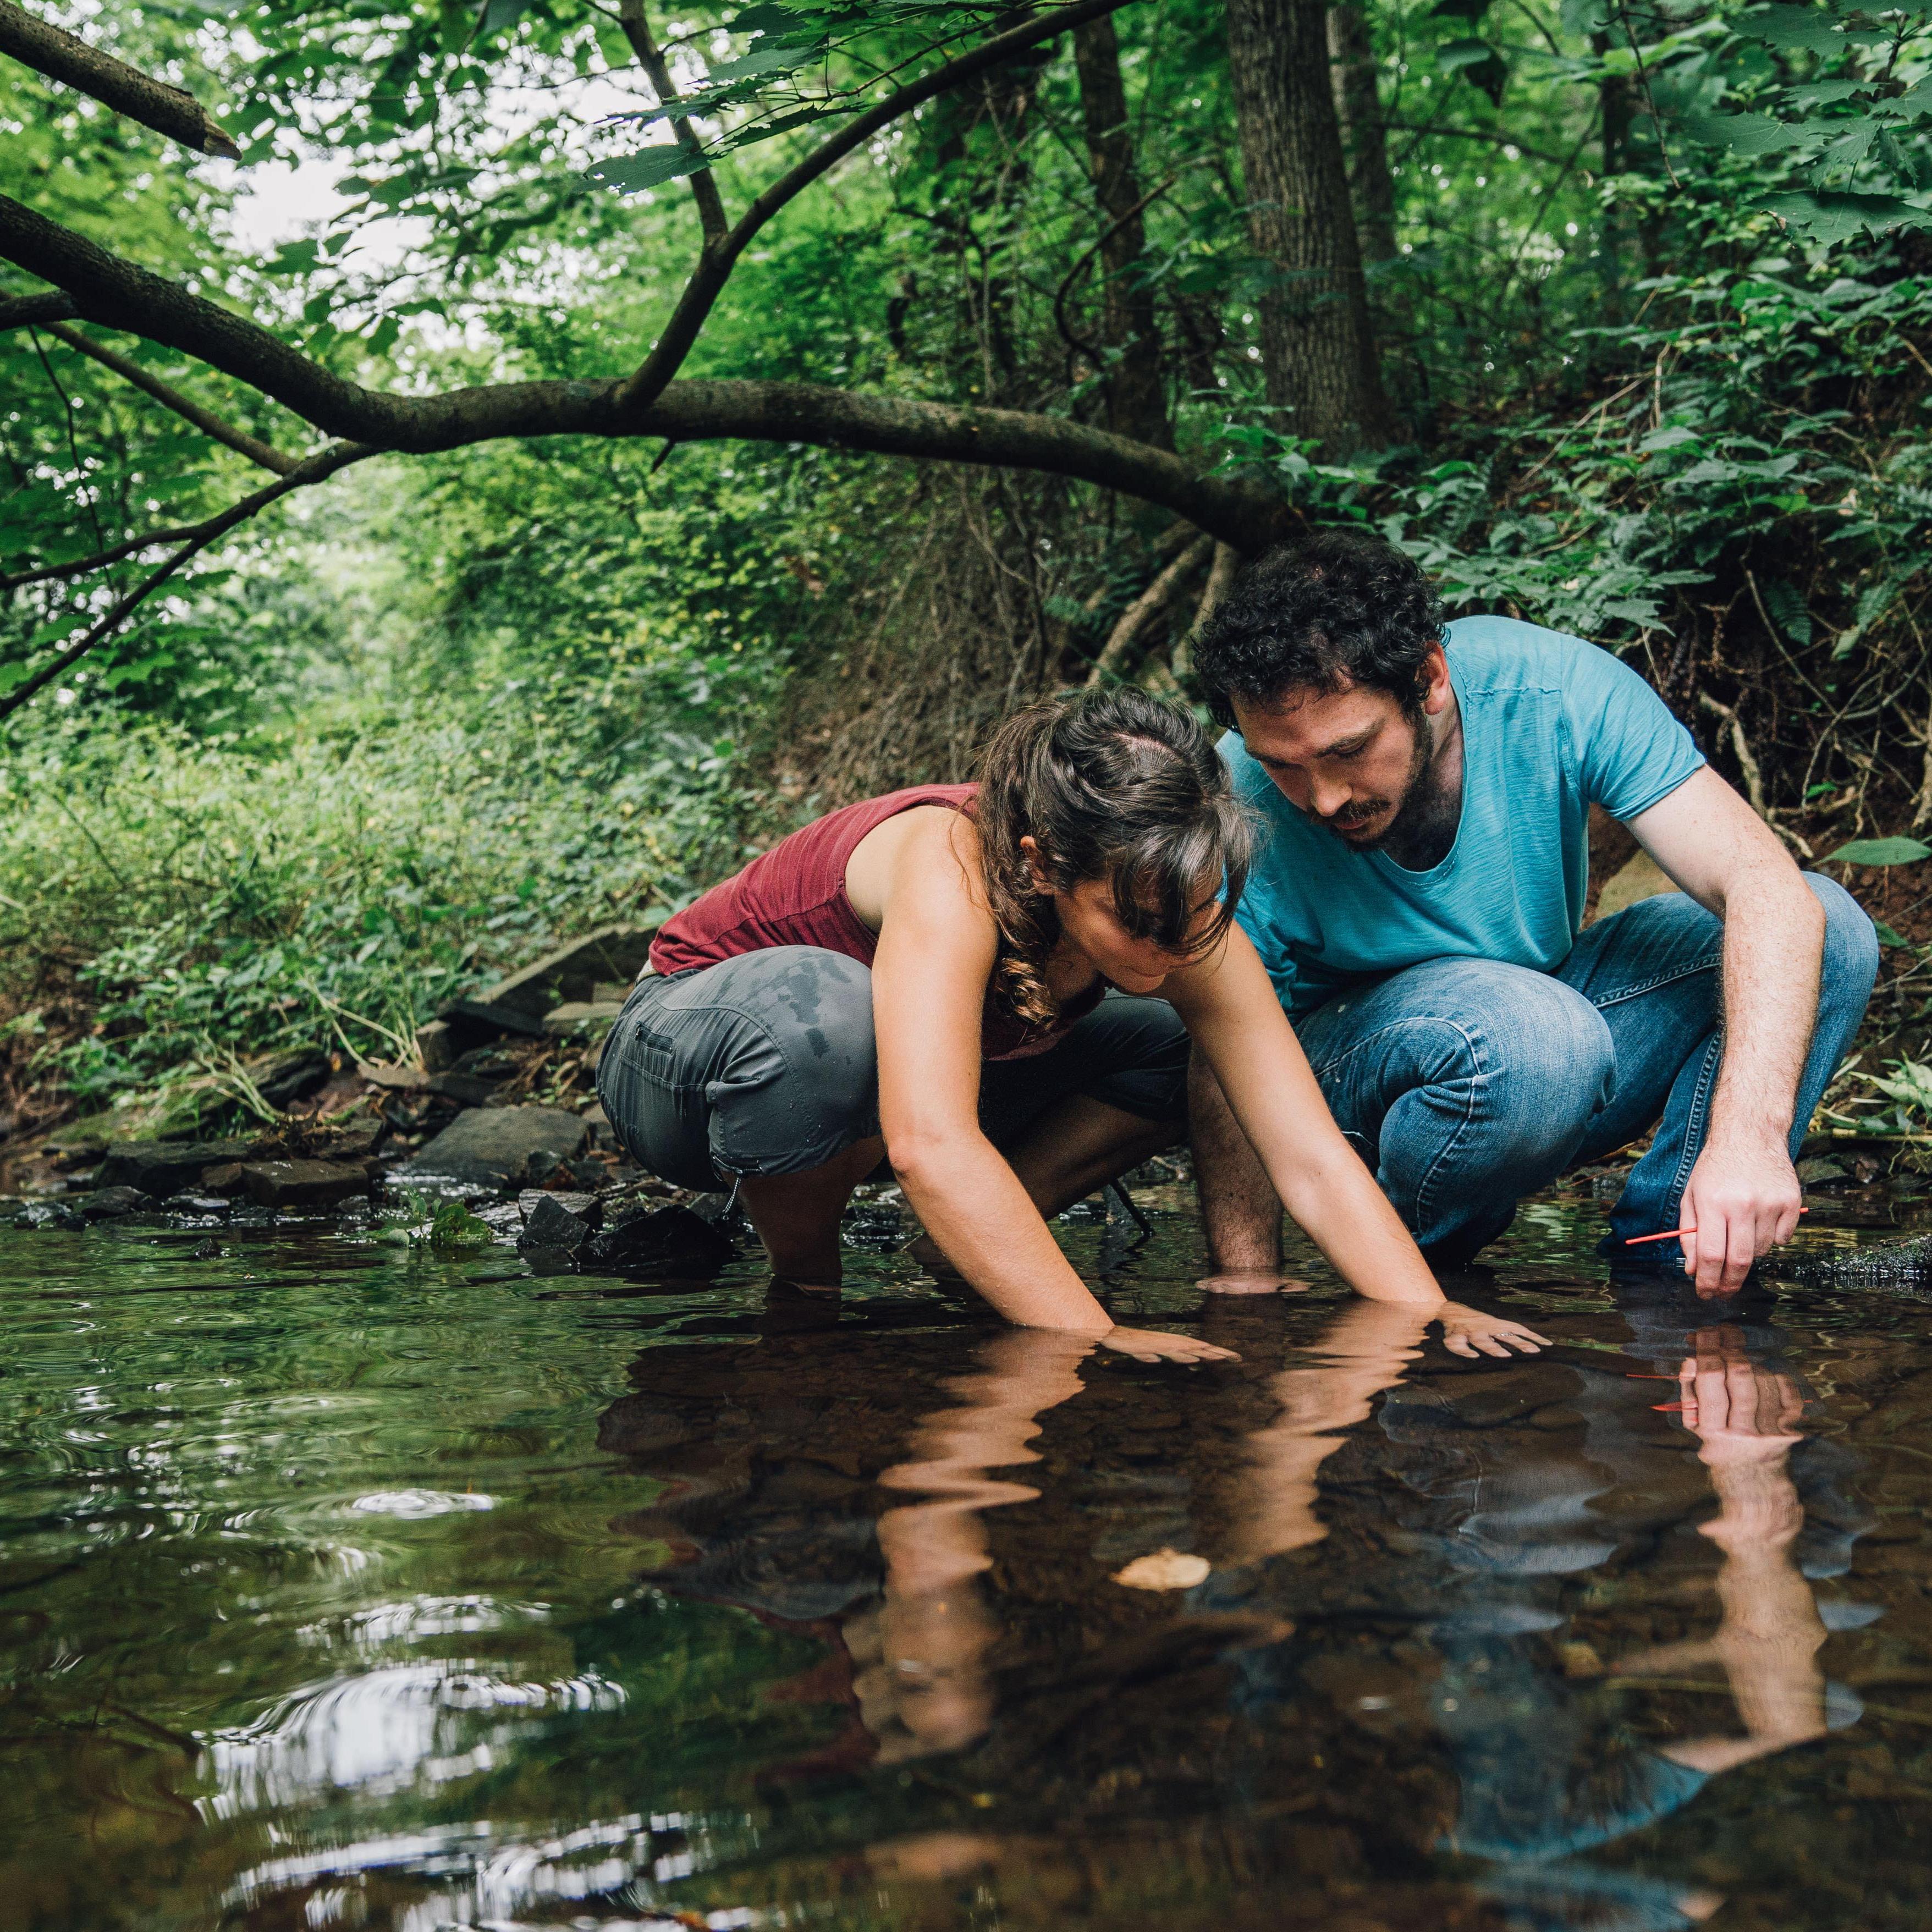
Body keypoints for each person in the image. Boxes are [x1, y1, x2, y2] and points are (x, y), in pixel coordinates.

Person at [596, 686, 1548, 1362]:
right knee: (838, 1023)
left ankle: (964, 1250)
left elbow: (1304, 1150)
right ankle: (806, 1287)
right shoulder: (952, 863)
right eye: (1138, 922)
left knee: (1185, 1040)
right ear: (1041, 864)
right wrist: (1090, 1330)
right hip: (688, 1057)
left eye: (1196, 912)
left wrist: (1424, 1311)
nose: (1177, 947)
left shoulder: (1183, 909)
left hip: (885, 1089)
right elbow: (929, 1141)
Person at [1187, 530, 1880, 1298]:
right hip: (1348, 1081)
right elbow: (1221, 1053)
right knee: (1532, 1034)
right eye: (1282, 764)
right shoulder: (1235, 798)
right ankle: (1403, 1266)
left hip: (1538, 1042)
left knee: (1828, 925)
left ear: (1428, 678)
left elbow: (1763, 885)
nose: (1320, 797)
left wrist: (1745, 1140)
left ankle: (1680, 1258)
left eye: (1348, 750)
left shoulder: (1551, 690)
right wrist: (1246, 1287)